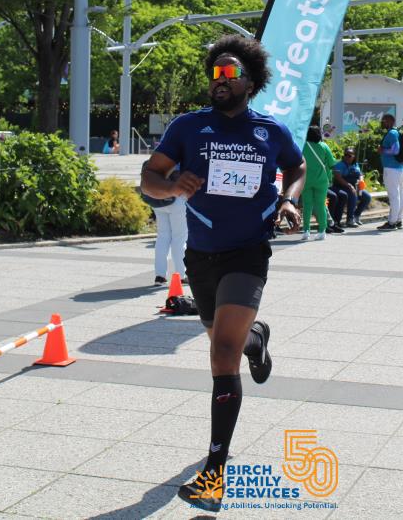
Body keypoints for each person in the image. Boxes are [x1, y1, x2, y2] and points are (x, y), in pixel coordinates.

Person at [139, 35, 305, 512]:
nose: (220, 80)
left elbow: (296, 167)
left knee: (221, 354)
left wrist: (288, 201)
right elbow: (149, 178)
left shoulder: (269, 130)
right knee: (224, 339)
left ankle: (214, 473)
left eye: (230, 73)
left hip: (248, 252)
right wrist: (172, 185)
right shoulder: (189, 127)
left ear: (250, 82)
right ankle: (257, 339)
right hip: (202, 255)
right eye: (216, 72)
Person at [142, 164, 187, 286]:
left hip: (157, 200)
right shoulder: (179, 157)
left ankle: (160, 276)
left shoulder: (157, 157)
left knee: (162, 237)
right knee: (179, 238)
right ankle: (181, 275)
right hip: (177, 200)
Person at [302, 125, 336, 240]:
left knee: (307, 205)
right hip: (322, 181)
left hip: (306, 180)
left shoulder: (302, 146)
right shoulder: (324, 146)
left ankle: (306, 231)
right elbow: (332, 163)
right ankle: (322, 231)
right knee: (321, 205)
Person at [331, 147, 371, 227]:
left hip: (354, 186)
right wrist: (349, 185)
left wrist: (361, 181)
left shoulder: (356, 164)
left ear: (353, 156)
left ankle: (356, 216)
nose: (346, 157)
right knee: (353, 194)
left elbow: (360, 174)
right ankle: (350, 219)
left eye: (349, 155)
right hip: (342, 186)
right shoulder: (339, 165)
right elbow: (338, 177)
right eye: (345, 155)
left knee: (367, 197)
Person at [378, 113, 403, 230]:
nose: (382, 122)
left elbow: (395, 150)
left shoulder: (391, 134)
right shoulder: (396, 132)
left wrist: (382, 150)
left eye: (383, 121)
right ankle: (398, 220)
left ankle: (392, 222)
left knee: (394, 196)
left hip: (391, 169)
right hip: (398, 168)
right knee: (399, 195)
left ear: (389, 121)